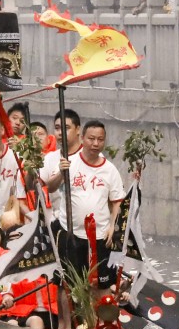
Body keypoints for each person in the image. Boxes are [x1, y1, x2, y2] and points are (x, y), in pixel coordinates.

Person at [47, 120, 126, 287]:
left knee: (101, 285)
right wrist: (61, 173)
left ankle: (96, 313)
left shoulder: (110, 170)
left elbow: (117, 201)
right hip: (71, 232)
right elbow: (51, 187)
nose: (95, 143)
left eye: (100, 139)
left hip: (100, 236)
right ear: (82, 138)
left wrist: (113, 226)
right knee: (67, 284)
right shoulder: (69, 162)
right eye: (91, 138)